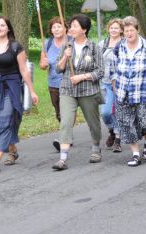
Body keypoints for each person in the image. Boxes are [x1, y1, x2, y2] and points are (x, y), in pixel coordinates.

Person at [0, 16, 39, 173]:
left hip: (11, 88)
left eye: (2, 25)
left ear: (8, 29)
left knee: (5, 121)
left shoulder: (15, 47)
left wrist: (32, 91)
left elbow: (24, 70)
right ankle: (12, 151)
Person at [52, 14, 104, 171]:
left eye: (75, 26)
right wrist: (64, 58)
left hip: (88, 90)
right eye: (71, 26)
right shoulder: (67, 46)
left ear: (84, 29)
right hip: (68, 90)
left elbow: (101, 71)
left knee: (93, 123)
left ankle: (96, 146)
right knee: (66, 121)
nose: (71, 29)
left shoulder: (94, 47)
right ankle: (63, 158)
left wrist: (83, 76)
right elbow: (58, 69)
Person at [110, 16, 146, 167]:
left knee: (144, 122)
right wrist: (115, 84)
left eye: (131, 30)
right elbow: (114, 69)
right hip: (123, 92)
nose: (128, 33)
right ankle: (135, 154)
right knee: (126, 123)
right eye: (126, 31)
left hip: (143, 92)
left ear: (137, 30)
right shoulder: (119, 47)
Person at [38, 17, 71, 152]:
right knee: (59, 113)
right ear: (51, 30)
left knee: (66, 112)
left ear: (65, 28)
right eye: (54, 27)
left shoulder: (71, 41)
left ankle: (64, 138)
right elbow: (42, 64)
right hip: (53, 83)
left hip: (68, 82)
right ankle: (67, 134)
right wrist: (43, 64)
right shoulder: (48, 43)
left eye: (59, 26)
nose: (56, 29)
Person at [98, 18, 123, 152]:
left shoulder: (124, 44)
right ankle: (112, 130)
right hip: (103, 82)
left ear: (121, 30)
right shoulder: (102, 44)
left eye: (116, 28)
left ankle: (118, 139)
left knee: (117, 111)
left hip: (119, 83)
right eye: (111, 28)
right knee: (105, 112)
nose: (113, 30)